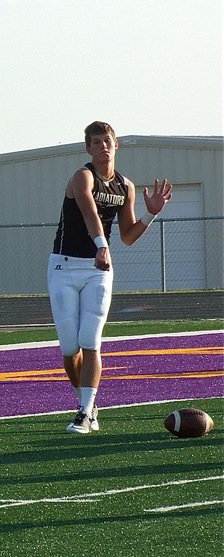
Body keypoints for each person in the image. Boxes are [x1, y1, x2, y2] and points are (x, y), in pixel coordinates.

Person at [47, 121, 173, 434]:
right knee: (68, 348)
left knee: (90, 341)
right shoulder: (83, 176)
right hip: (64, 266)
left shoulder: (125, 186)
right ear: (88, 148)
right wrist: (101, 245)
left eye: (108, 140)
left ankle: (85, 412)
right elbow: (90, 213)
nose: (103, 146)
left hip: (97, 270)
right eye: (97, 142)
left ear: (117, 144)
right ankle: (85, 402)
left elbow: (128, 236)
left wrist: (150, 213)